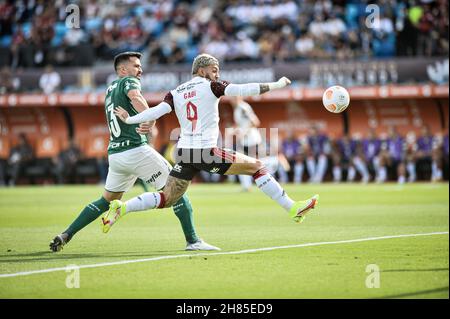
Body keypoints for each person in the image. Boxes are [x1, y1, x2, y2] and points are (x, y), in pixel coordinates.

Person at [103, 53, 319, 232]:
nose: (217, 74)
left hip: (185, 152)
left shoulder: (176, 92)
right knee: (257, 167)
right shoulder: (212, 86)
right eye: (214, 70)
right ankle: (293, 208)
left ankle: (122, 207)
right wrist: (277, 84)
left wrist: (130, 119)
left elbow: (156, 112)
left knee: (167, 198)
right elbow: (244, 90)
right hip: (205, 151)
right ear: (201, 70)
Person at [49, 51, 219, 252]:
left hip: (116, 155)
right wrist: (150, 118)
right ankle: (193, 241)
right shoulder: (128, 82)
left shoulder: (110, 88)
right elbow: (136, 96)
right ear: (123, 70)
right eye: (136, 66)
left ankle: (67, 234)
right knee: (177, 191)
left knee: (105, 201)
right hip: (135, 150)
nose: (140, 69)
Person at [230, 96, 262, 191]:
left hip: (252, 140)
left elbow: (255, 122)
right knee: (243, 162)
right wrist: (235, 130)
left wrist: (244, 132)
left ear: (239, 97)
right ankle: (247, 186)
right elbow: (242, 124)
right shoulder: (237, 109)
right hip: (245, 140)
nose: (232, 99)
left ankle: (250, 185)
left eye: (234, 97)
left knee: (249, 163)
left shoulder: (243, 107)